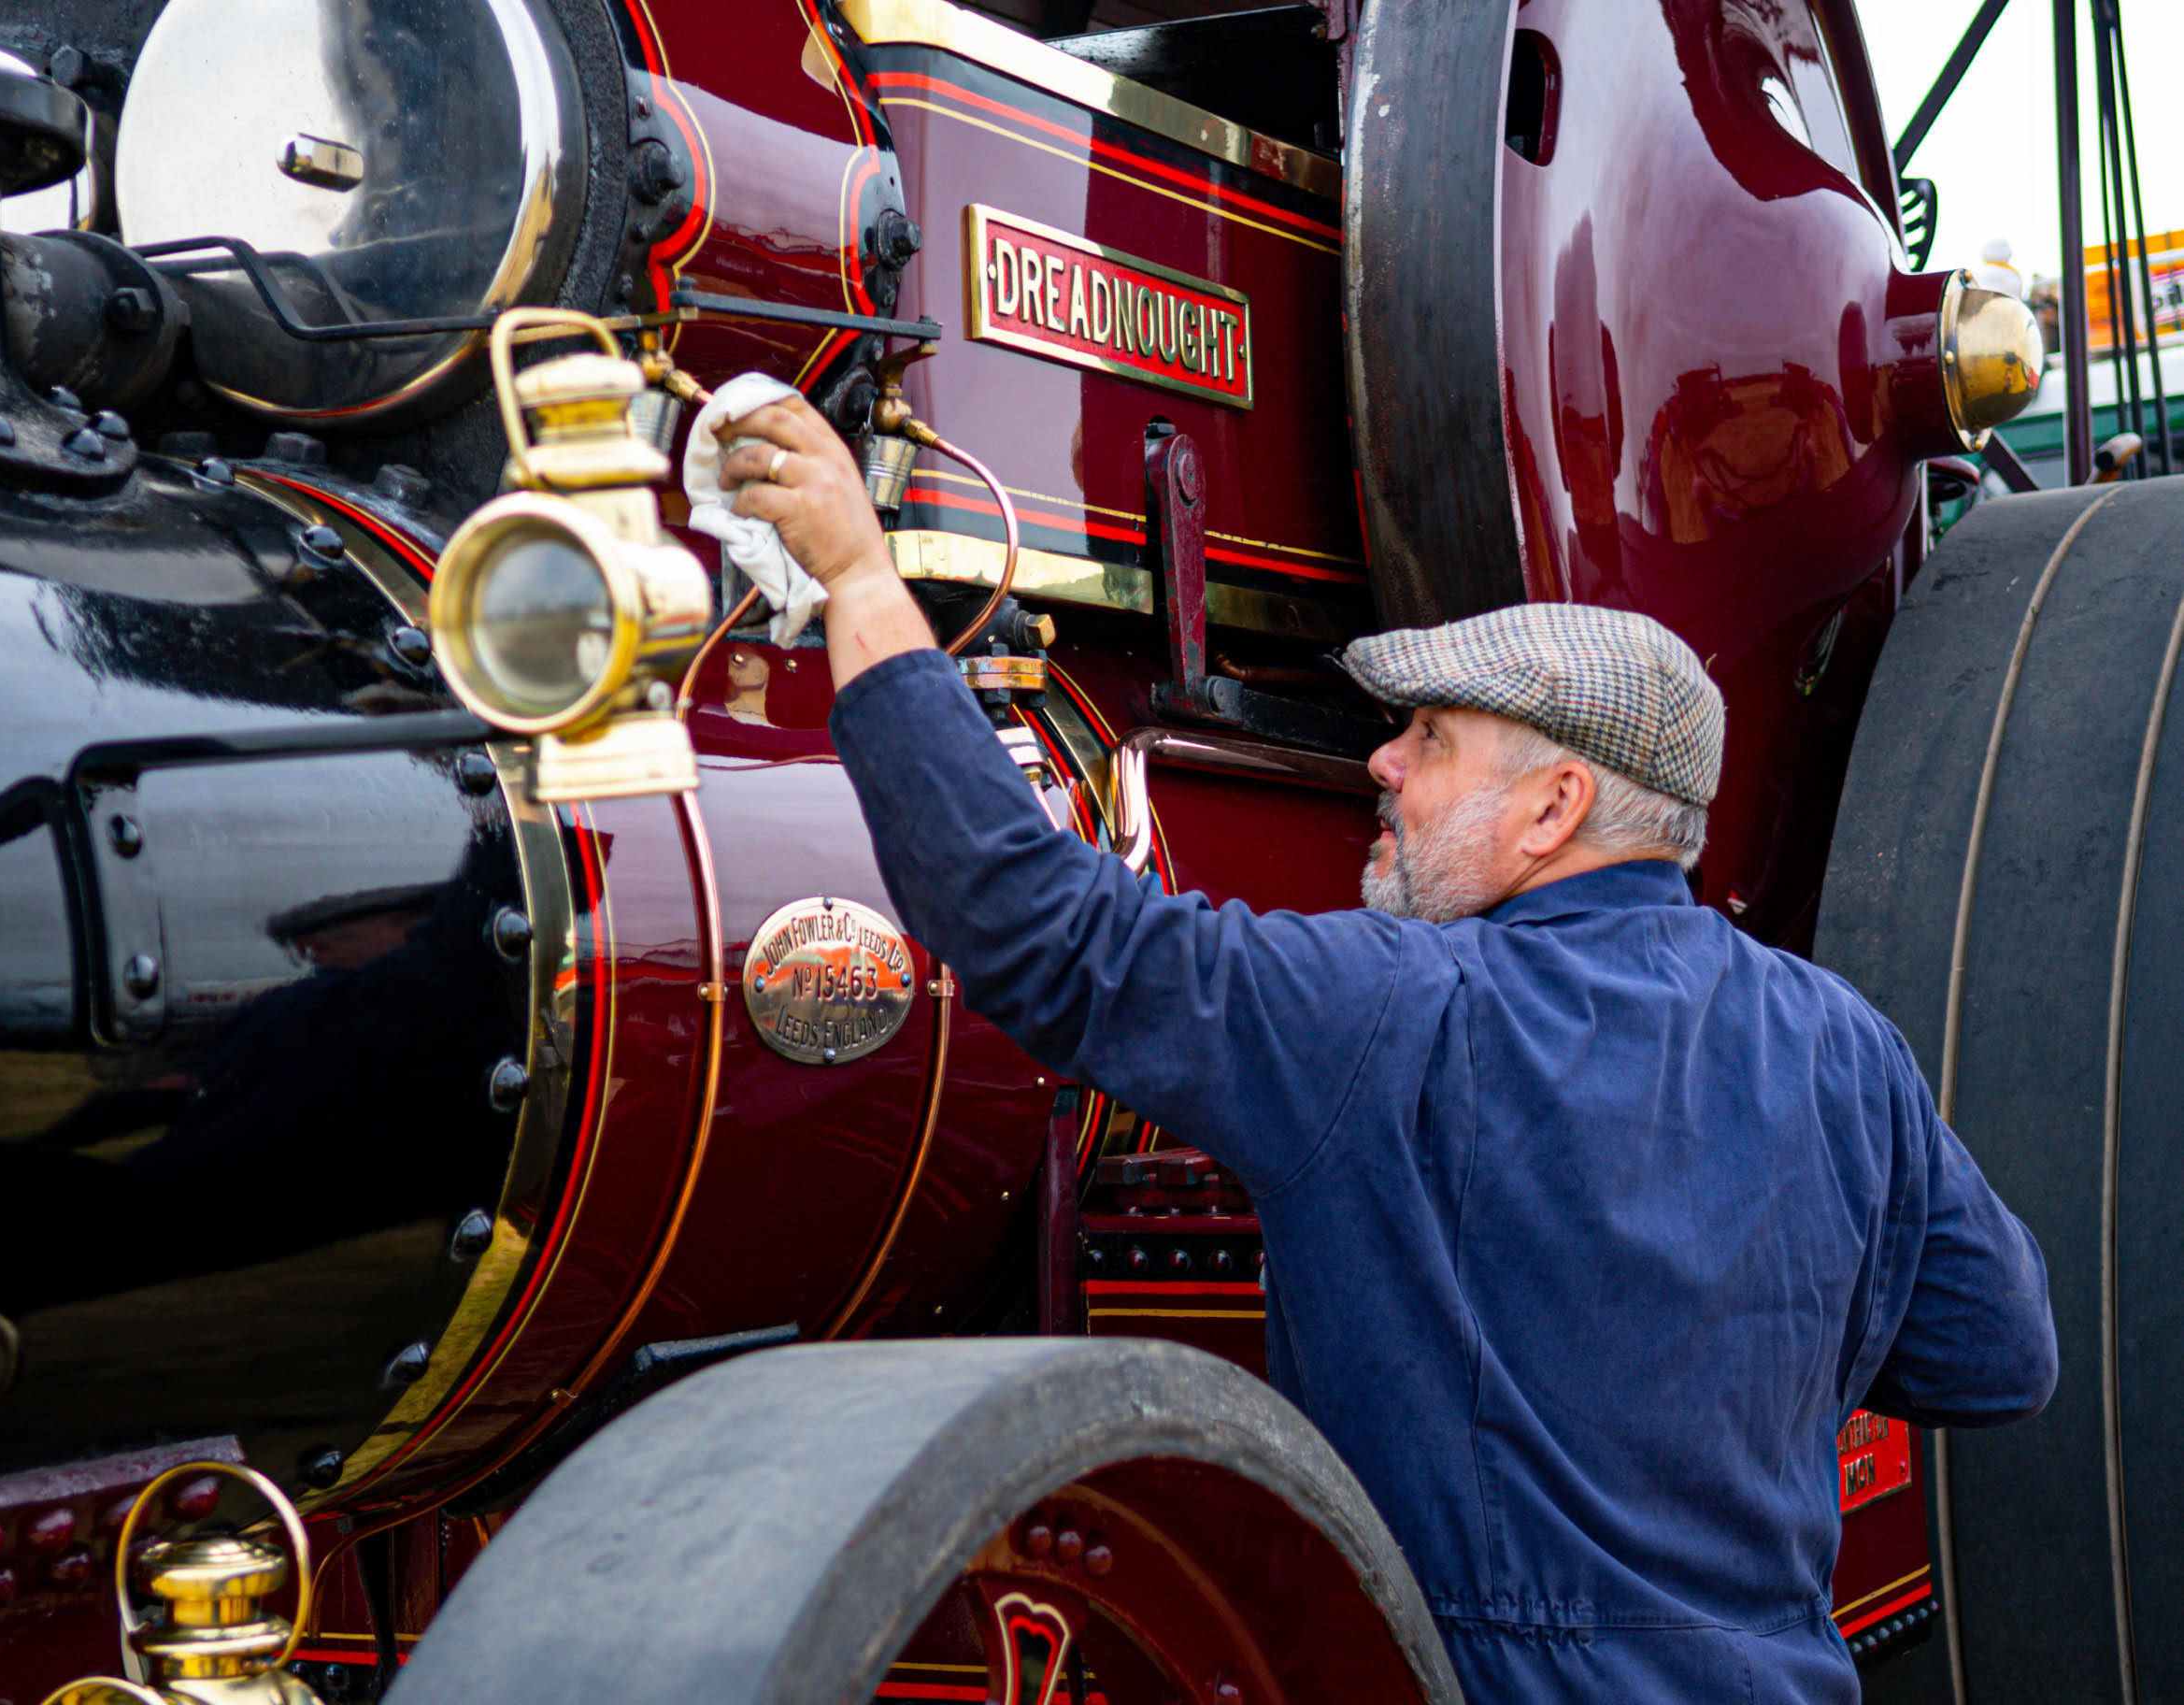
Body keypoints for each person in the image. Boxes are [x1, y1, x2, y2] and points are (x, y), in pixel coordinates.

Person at [713, 396, 2059, 1703]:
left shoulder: (1396, 1011)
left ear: (1555, 807)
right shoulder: (1845, 1046)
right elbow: (1998, 1354)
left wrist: (861, 580)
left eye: (1430, 737)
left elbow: (1040, 927)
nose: (1382, 765)